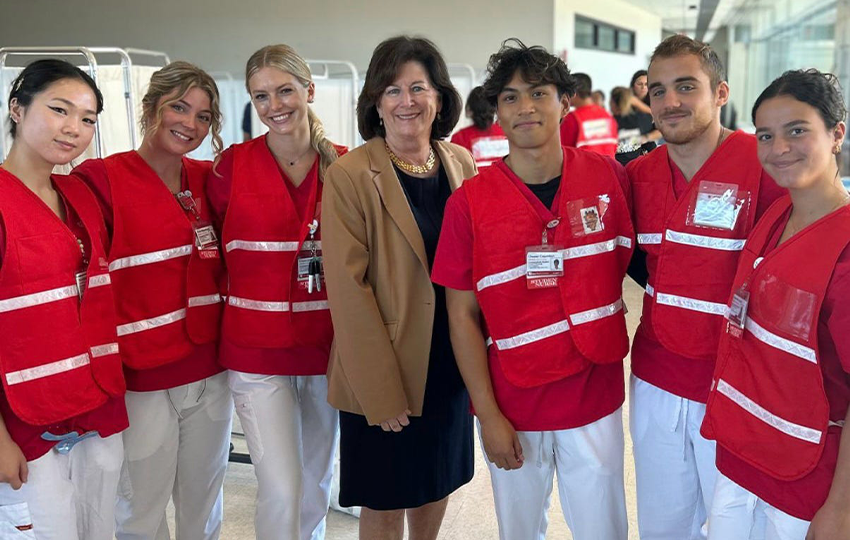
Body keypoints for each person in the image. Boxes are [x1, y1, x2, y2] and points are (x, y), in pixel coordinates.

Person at [433, 38, 631, 540]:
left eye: (539, 93)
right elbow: (461, 316)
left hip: (593, 389)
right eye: (511, 97)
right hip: (513, 398)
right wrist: (488, 414)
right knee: (519, 529)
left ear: (566, 102)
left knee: (602, 526)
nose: (526, 107)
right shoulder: (470, 204)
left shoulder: (607, 178)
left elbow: (629, 258)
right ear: (495, 111)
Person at [627, 35, 786, 540]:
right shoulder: (638, 174)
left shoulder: (762, 165)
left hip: (735, 383)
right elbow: (635, 259)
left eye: (685, 86)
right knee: (663, 523)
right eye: (658, 91)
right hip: (656, 378)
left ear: (720, 92)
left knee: (735, 526)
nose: (669, 101)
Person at [322, 35, 476, 540]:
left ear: (439, 96)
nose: (406, 101)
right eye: (392, 90)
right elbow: (348, 289)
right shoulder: (349, 174)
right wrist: (378, 390)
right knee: (385, 499)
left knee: (437, 482)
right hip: (385, 365)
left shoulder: (461, 164)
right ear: (375, 102)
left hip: (450, 360)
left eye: (418, 87)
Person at [71, 62, 232, 540]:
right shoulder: (100, 179)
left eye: (203, 116)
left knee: (204, 503)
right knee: (140, 508)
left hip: (210, 370)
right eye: (178, 107)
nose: (190, 123)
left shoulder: (210, 179)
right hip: (142, 378)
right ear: (149, 109)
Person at [701, 69, 850, 540]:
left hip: (806, 480)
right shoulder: (774, 217)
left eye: (797, 130)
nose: (779, 147)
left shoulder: (844, 249)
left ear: (837, 135)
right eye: (766, 135)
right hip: (741, 455)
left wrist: (840, 511)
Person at [207, 43, 345, 540]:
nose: (274, 106)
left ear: (309, 91)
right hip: (255, 351)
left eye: (285, 90)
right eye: (261, 96)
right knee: (282, 487)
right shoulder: (229, 168)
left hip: (326, 349)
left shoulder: (346, 169)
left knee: (315, 483)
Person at [0, 59, 127, 539]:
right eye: (59, 110)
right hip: (22, 419)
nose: (74, 128)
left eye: (89, 118)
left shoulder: (79, 194)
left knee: (100, 531)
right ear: (17, 107)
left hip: (94, 407)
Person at [560, 72, 618, 156]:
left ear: (574, 92)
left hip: (583, 168)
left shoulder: (572, 119)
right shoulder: (608, 116)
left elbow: (562, 153)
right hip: (609, 167)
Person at [451, 86, 507, 168]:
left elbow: (454, 172)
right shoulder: (507, 133)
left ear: (470, 109)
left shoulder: (460, 138)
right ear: (493, 108)